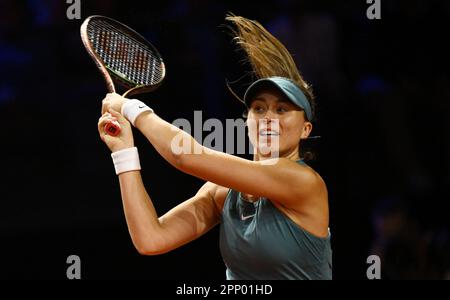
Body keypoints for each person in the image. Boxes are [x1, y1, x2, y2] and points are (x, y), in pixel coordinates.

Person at [97, 15, 332, 280]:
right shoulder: (221, 192)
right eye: (259, 108)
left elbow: (184, 155)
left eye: (282, 109)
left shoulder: (303, 182)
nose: (268, 117)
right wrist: (123, 152)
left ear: (305, 129)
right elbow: (151, 239)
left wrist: (131, 108)